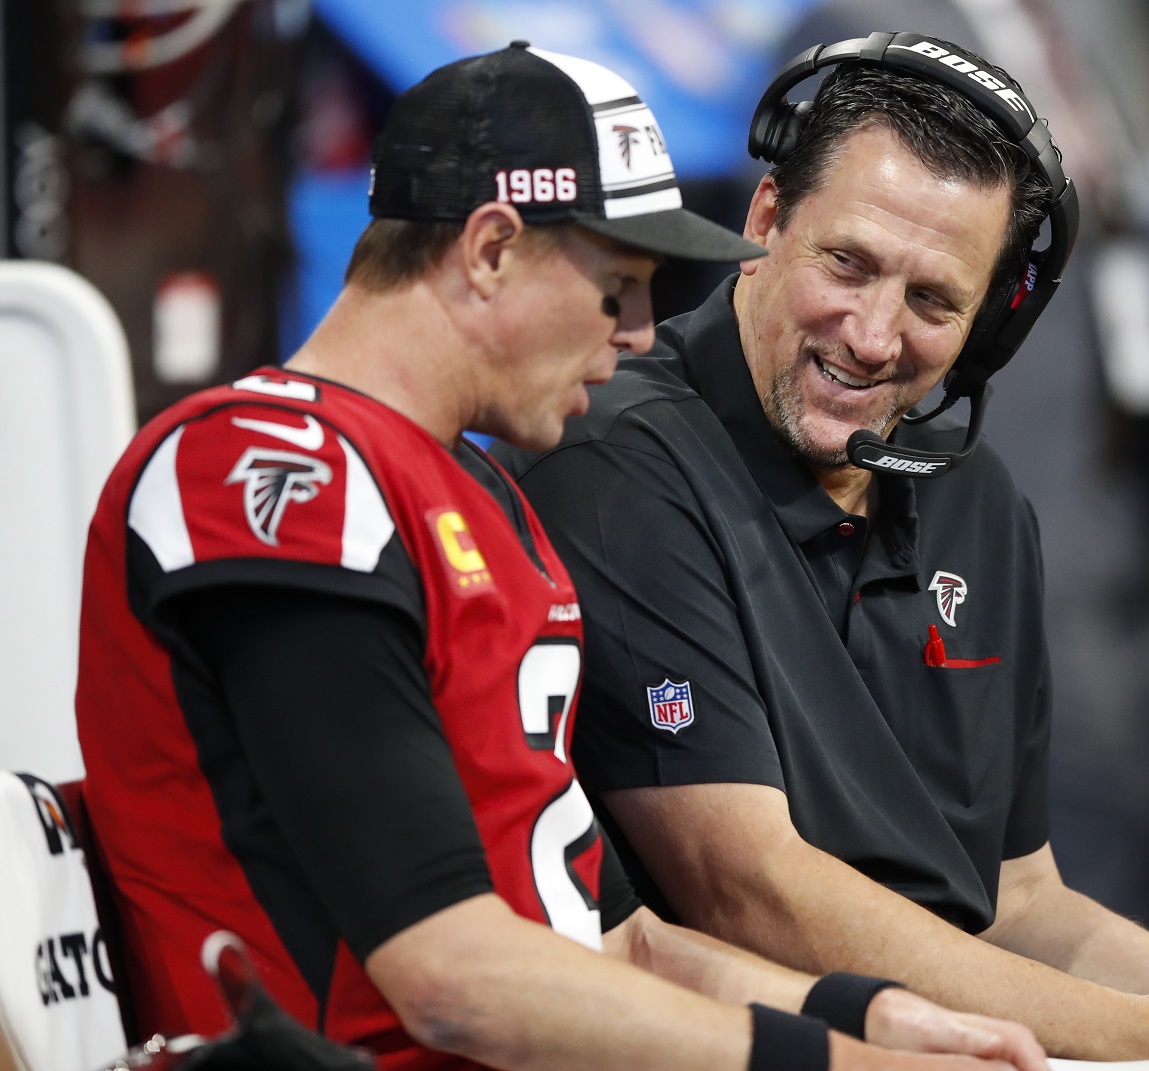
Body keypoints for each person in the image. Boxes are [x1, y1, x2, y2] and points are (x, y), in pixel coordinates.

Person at [495, 31, 1149, 1071]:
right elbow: (747, 889)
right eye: (848, 264)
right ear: (767, 218)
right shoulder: (616, 460)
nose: (873, 336)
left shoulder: (979, 501)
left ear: (992, 328)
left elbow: (1022, 903)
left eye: (932, 301)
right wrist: (1144, 1036)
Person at [73, 42, 1056, 1071]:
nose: (638, 334)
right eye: (615, 288)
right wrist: (834, 1064)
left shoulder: (485, 494)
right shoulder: (260, 476)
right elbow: (455, 982)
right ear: (492, 249)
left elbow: (621, 936)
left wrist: (869, 1016)